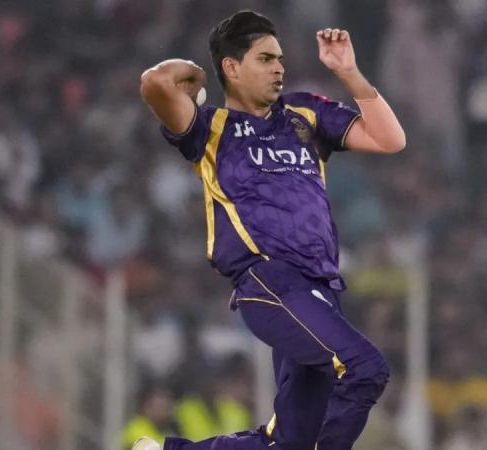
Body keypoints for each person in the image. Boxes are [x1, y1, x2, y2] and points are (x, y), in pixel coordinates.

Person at [137, 9, 406, 450]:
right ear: (232, 67)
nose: (279, 67)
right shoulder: (210, 127)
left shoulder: (304, 113)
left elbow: (390, 140)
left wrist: (350, 74)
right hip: (271, 279)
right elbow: (154, 83)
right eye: (265, 59)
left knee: (290, 441)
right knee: (365, 368)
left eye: (279, 58)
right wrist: (197, 74)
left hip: (322, 288)